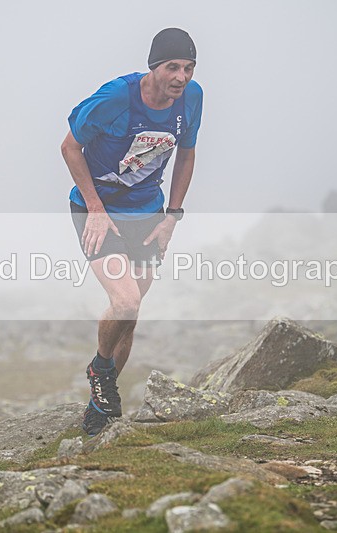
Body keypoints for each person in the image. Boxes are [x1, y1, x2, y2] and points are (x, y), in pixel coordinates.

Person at [60, 28, 203, 436]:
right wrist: (95, 209)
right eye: (172, 67)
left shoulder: (192, 99)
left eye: (189, 68)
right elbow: (70, 146)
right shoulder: (114, 98)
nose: (181, 77)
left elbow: (187, 153)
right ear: (153, 66)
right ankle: (100, 370)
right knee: (124, 301)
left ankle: (101, 401)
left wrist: (172, 216)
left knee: (132, 312)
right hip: (96, 208)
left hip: (147, 212)